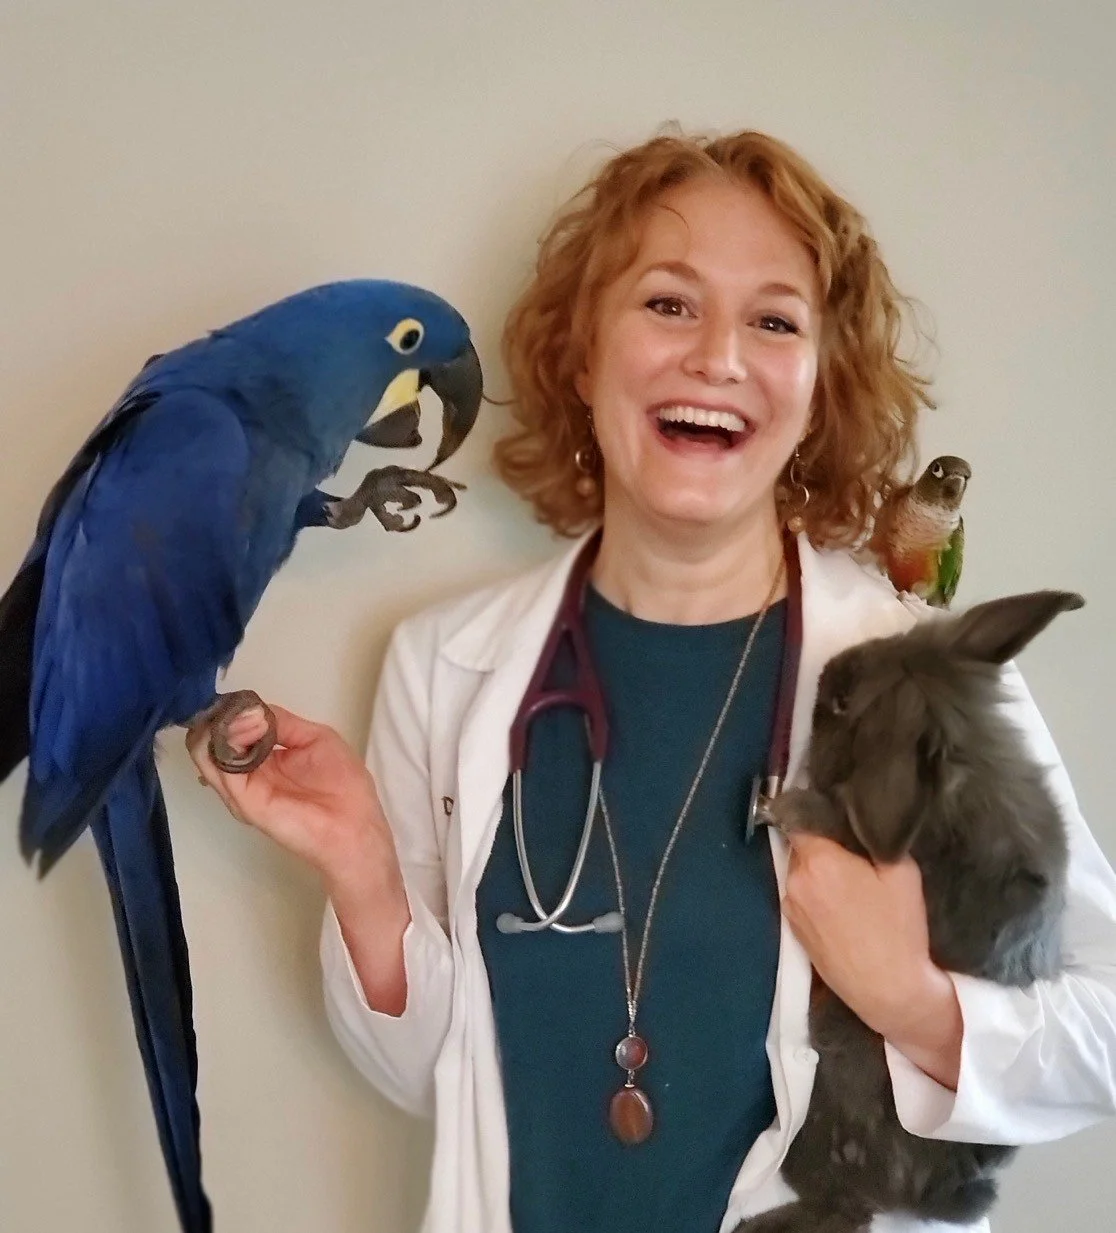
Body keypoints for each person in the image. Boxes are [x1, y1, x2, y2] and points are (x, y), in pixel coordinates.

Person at [187, 129, 1116, 1233]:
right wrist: (360, 867)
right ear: (585, 357)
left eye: (775, 321)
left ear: (820, 387)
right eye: (669, 304)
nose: (717, 357)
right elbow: (436, 1076)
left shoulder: (926, 678)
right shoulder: (445, 663)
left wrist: (912, 1003)